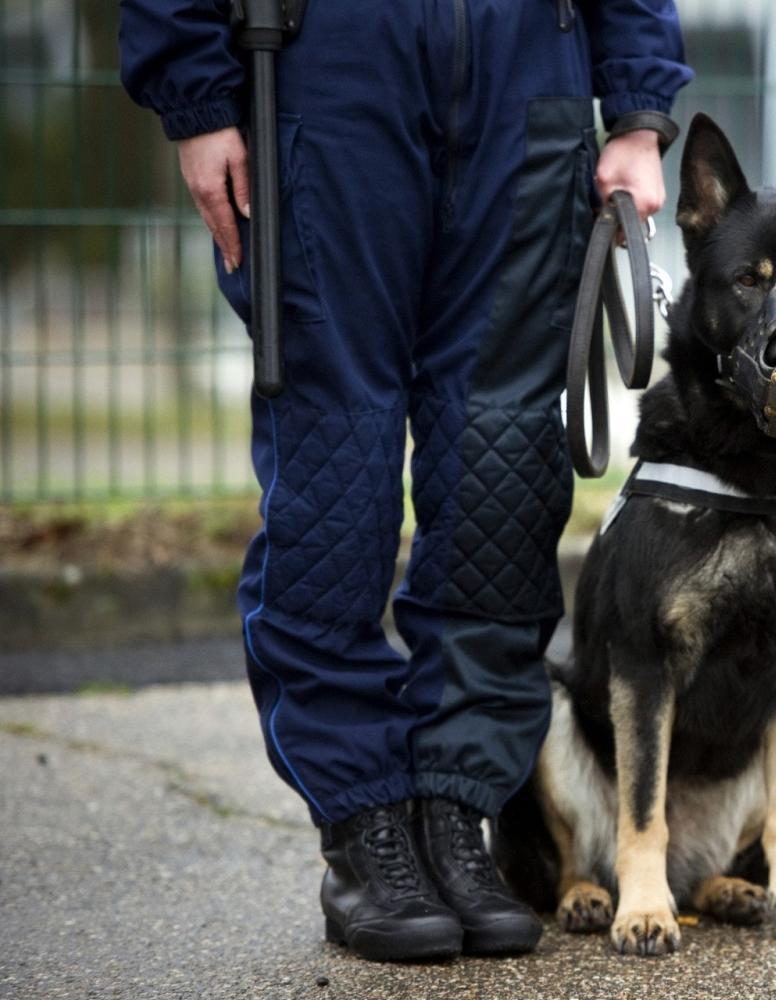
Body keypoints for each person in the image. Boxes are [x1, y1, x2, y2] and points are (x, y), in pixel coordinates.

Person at [119, 0, 691, 962]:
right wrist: (197, 97)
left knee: (501, 466)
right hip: (328, 68)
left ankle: (453, 814)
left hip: (527, 74)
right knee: (336, 468)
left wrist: (636, 107)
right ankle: (364, 824)